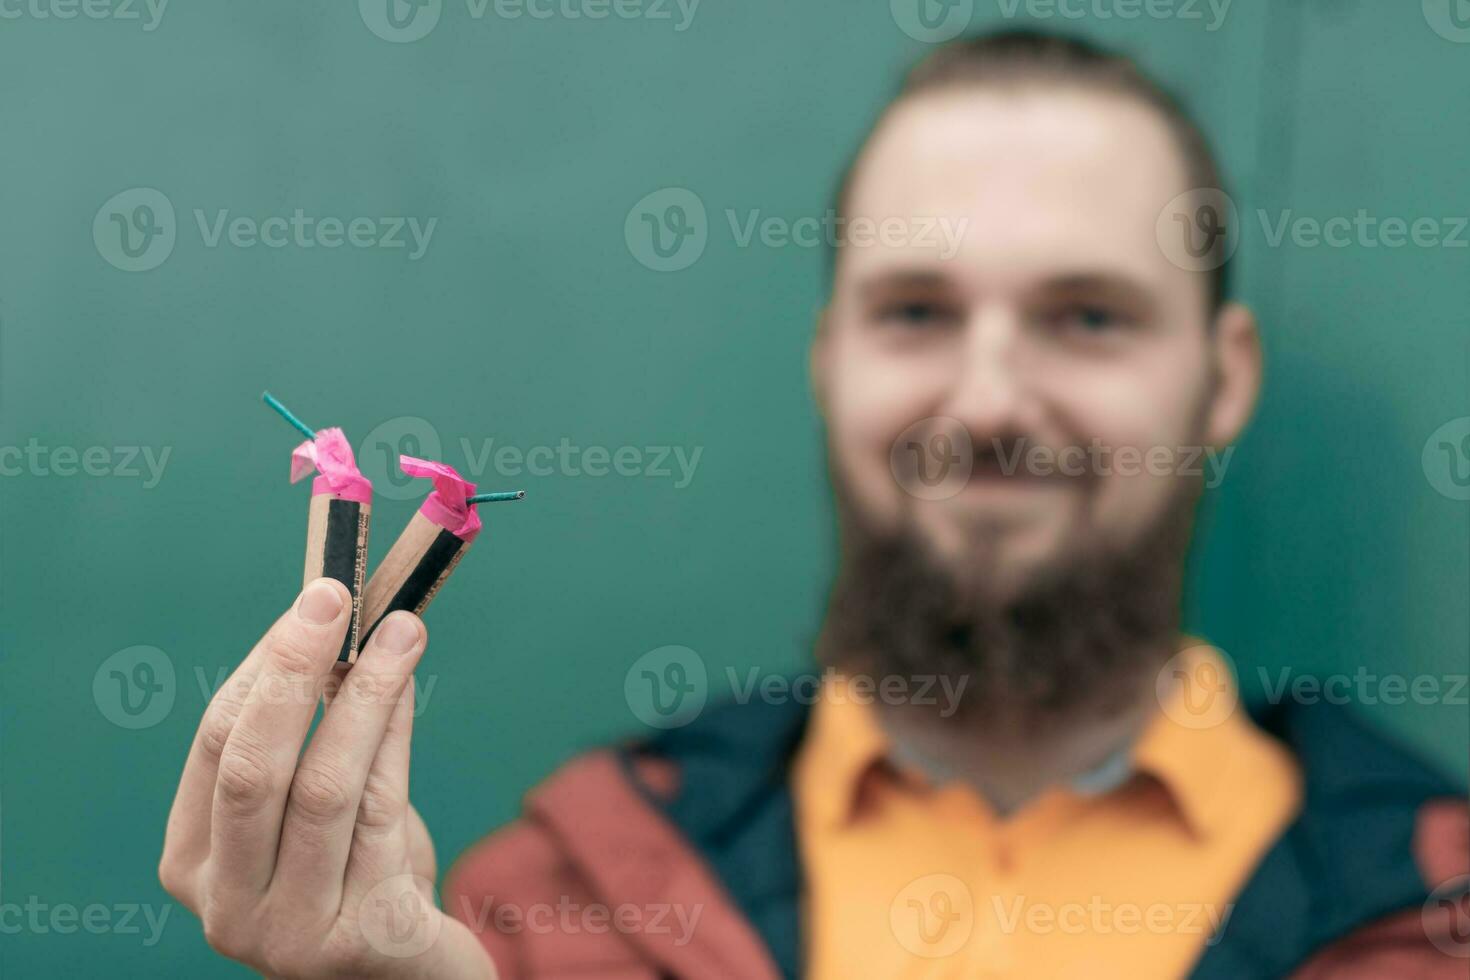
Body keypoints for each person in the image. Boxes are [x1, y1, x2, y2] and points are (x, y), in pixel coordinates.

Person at [159, 30, 1469, 979]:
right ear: (828, 360)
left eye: (1086, 315)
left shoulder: (1433, 911)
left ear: (1220, 375)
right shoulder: (545, 915)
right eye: (915, 312)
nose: (992, 398)